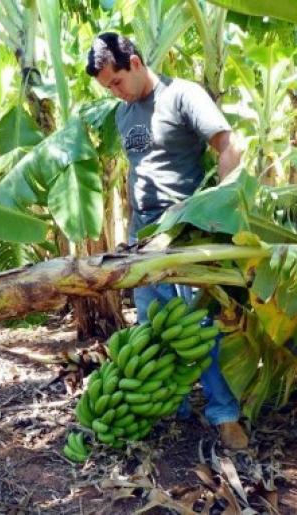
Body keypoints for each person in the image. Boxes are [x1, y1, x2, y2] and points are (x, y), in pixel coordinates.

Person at [86, 33, 249, 448]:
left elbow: (230, 146)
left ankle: (224, 414)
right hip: (142, 234)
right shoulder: (123, 114)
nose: (115, 93)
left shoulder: (183, 96)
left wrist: (220, 210)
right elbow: (138, 169)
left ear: (136, 63)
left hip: (182, 229)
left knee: (197, 325)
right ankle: (170, 406)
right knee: (154, 326)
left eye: (117, 82)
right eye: (107, 88)